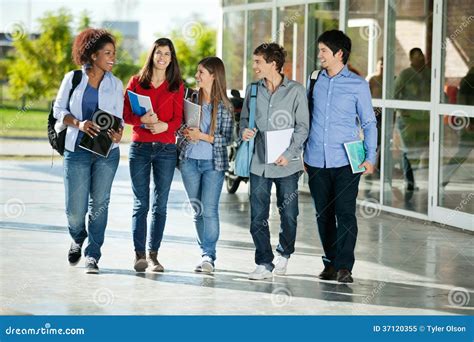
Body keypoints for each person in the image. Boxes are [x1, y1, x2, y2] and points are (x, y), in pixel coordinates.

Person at [304, 30, 377, 283]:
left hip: (348, 160)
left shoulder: (358, 84)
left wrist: (371, 157)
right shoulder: (315, 80)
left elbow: (369, 123)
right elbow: (307, 118)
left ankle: (345, 265)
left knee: (345, 213)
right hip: (315, 159)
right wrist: (302, 151)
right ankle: (330, 262)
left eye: (324, 50)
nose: (319, 55)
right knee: (323, 214)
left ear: (339, 53)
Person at [54, 28, 124, 274]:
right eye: (107, 53)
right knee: (75, 208)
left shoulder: (116, 84)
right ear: (93, 56)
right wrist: (79, 123)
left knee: (100, 204)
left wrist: (119, 132)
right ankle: (77, 235)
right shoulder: (73, 78)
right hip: (77, 150)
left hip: (107, 152)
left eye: (114, 53)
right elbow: (58, 110)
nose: (112, 58)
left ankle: (93, 254)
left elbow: (119, 117)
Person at [240, 43, 309, 280]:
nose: (254, 66)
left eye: (258, 61)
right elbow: (245, 121)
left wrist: (289, 153)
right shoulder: (252, 90)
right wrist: (244, 132)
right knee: (257, 215)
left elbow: (303, 128)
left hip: (287, 164)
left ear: (273, 64)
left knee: (288, 213)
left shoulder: (296, 90)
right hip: (259, 162)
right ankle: (263, 262)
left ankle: (284, 253)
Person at [123, 38, 184, 272]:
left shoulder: (177, 85)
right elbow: (125, 115)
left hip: (166, 150)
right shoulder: (136, 82)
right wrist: (142, 121)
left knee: (161, 204)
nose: (162, 58)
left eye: (167, 54)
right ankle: (139, 255)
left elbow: (178, 119)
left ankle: (153, 256)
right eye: (159, 53)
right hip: (140, 149)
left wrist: (164, 127)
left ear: (172, 58)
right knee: (141, 204)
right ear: (152, 55)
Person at [177, 57, 233, 274]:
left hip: (213, 164)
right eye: (197, 71)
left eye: (201, 72)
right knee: (197, 210)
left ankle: (208, 255)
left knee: (209, 210)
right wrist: (184, 132)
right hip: (189, 161)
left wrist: (202, 136)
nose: (197, 76)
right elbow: (179, 126)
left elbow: (227, 139)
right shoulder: (190, 98)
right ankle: (204, 252)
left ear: (213, 75)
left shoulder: (225, 106)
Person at [394, 48, 431, 191]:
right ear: (411, 59)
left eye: (421, 56)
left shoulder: (429, 73)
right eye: (416, 57)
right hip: (408, 119)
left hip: (425, 119)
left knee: (422, 149)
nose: (420, 59)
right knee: (408, 150)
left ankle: (424, 180)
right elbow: (394, 94)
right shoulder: (405, 75)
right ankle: (409, 182)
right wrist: (403, 111)